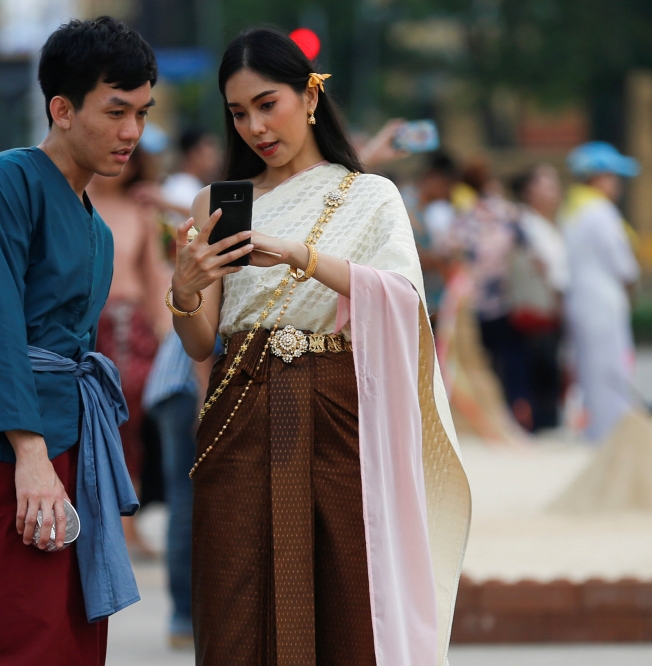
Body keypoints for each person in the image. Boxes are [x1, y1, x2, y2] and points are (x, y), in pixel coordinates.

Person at [168, 28, 470, 665]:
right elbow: (201, 344)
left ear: (310, 96)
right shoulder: (216, 203)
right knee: (234, 591)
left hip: (335, 408)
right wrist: (186, 289)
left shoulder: (369, 195)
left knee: (345, 584)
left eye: (267, 103)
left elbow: (403, 301)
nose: (255, 125)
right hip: (240, 410)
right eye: (238, 112)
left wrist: (302, 256)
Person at [0, 17, 156, 665]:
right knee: (27, 644)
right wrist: (30, 455)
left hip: (68, 448)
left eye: (141, 112)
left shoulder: (97, 230)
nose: (131, 131)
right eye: (115, 111)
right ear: (62, 108)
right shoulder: (1, 182)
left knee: (76, 646)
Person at [87, 144, 171, 557]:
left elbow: (154, 276)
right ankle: (103, 521)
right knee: (91, 421)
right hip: (87, 329)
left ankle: (128, 521)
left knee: (132, 420)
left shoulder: (140, 211)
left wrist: (167, 332)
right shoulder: (72, 203)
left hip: (132, 329)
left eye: (130, 156)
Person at [560, 141, 641, 442]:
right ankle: (614, 437)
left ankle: (596, 433)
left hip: (581, 301)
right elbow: (624, 266)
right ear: (597, 177)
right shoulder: (600, 211)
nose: (617, 184)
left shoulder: (572, 208)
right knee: (612, 371)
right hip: (603, 303)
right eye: (613, 176)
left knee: (591, 371)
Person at [447, 160, 531, 427]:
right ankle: (518, 414)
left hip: (473, 300)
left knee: (481, 362)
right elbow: (526, 244)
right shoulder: (508, 212)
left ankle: (488, 415)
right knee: (513, 362)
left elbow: (449, 248)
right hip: (506, 298)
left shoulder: (464, 215)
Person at [508, 164, 569, 431]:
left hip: (553, 310)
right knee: (539, 371)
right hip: (536, 310)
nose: (556, 192)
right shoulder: (524, 225)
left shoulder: (551, 225)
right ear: (530, 191)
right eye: (548, 185)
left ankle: (550, 420)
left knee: (552, 370)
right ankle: (538, 424)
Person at [406, 153, 459, 319]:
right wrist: (440, 260)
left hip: (428, 301)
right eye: (447, 185)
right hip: (416, 303)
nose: (448, 192)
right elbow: (408, 256)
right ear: (434, 179)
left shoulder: (424, 209)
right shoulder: (407, 206)